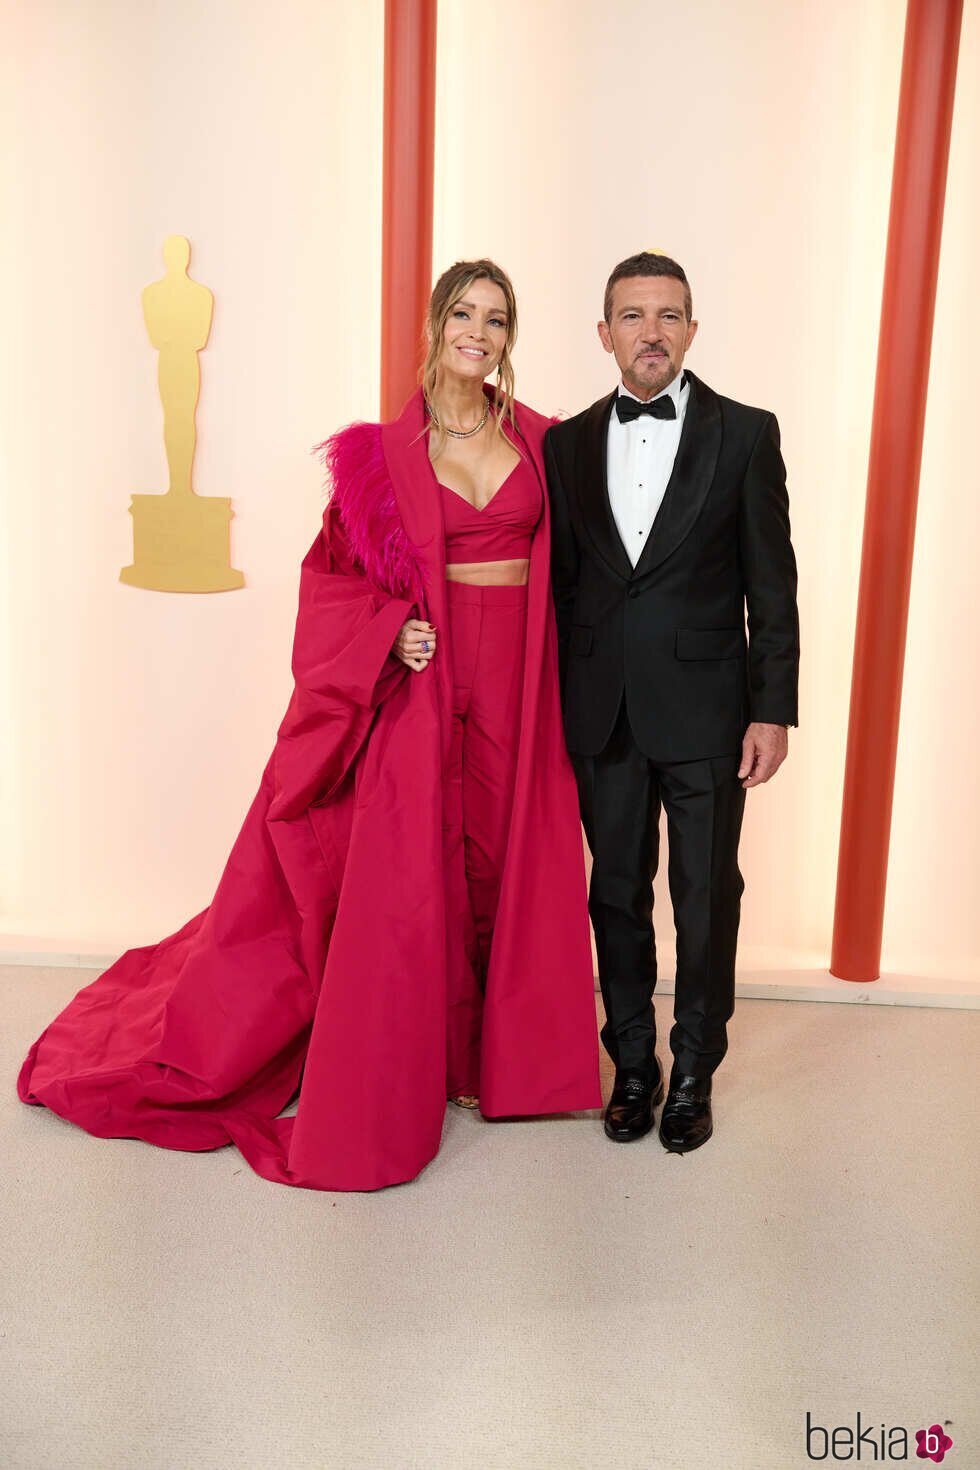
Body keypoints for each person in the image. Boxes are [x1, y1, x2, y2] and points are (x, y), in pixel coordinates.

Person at [18, 259, 602, 1191]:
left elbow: (589, 565)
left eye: (496, 320)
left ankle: (500, 1065)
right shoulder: (380, 456)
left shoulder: (547, 444)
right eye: (464, 313)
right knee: (422, 865)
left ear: (509, 338)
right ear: (435, 323)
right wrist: (388, 635)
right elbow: (330, 581)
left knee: (502, 852)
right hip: (424, 672)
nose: (478, 334)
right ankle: (435, 1061)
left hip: (520, 678)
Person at [545, 251, 799, 1152]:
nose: (650, 332)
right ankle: (634, 1067)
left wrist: (772, 708)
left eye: (668, 315)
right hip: (601, 710)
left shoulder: (746, 433)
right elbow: (562, 586)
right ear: (604, 332)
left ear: (692, 329)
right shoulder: (565, 443)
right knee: (614, 893)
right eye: (632, 316)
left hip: (709, 714)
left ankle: (694, 1071)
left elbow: (773, 586)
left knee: (704, 894)